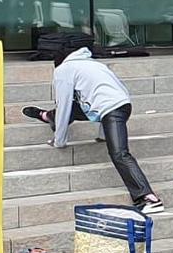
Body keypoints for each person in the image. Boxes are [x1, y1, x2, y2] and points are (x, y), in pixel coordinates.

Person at [27, 41, 163, 215]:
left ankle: (148, 197)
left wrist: (59, 141)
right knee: (79, 106)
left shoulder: (63, 70)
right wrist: (104, 135)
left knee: (120, 154)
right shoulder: (93, 64)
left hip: (111, 110)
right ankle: (47, 116)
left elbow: (64, 105)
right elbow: (103, 96)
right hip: (122, 105)